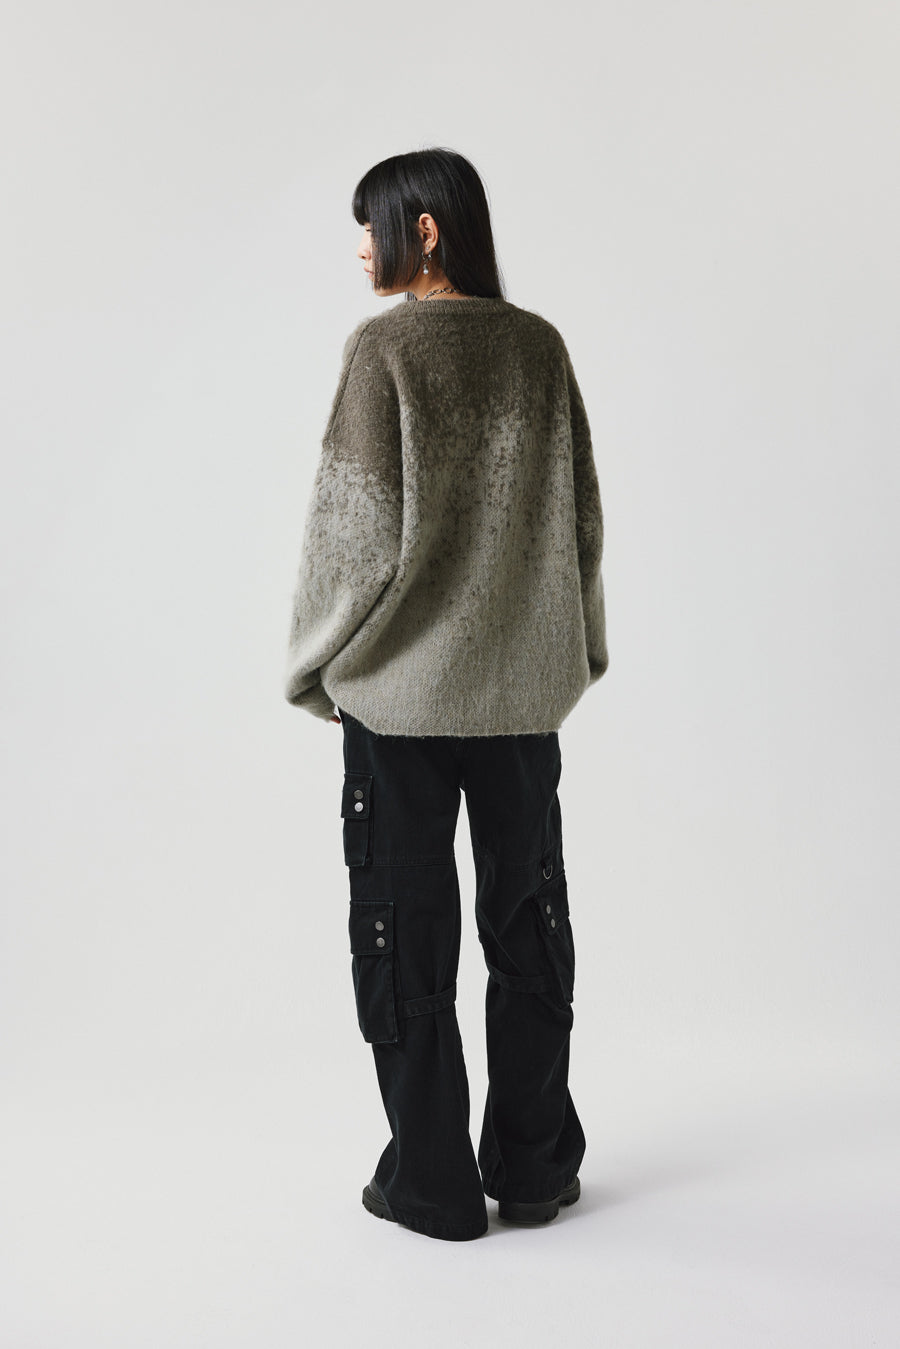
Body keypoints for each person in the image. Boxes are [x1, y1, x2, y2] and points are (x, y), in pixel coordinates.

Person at [283, 147, 608, 1241]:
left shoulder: (384, 350)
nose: (360, 247)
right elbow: (581, 519)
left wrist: (316, 665)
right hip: (521, 698)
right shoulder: (539, 347)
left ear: (425, 230)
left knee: (404, 932)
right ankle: (533, 1168)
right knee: (530, 925)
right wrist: (573, 652)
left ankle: (431, 1183)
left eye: (372, 223)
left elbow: (352, 533)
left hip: (402, 703)